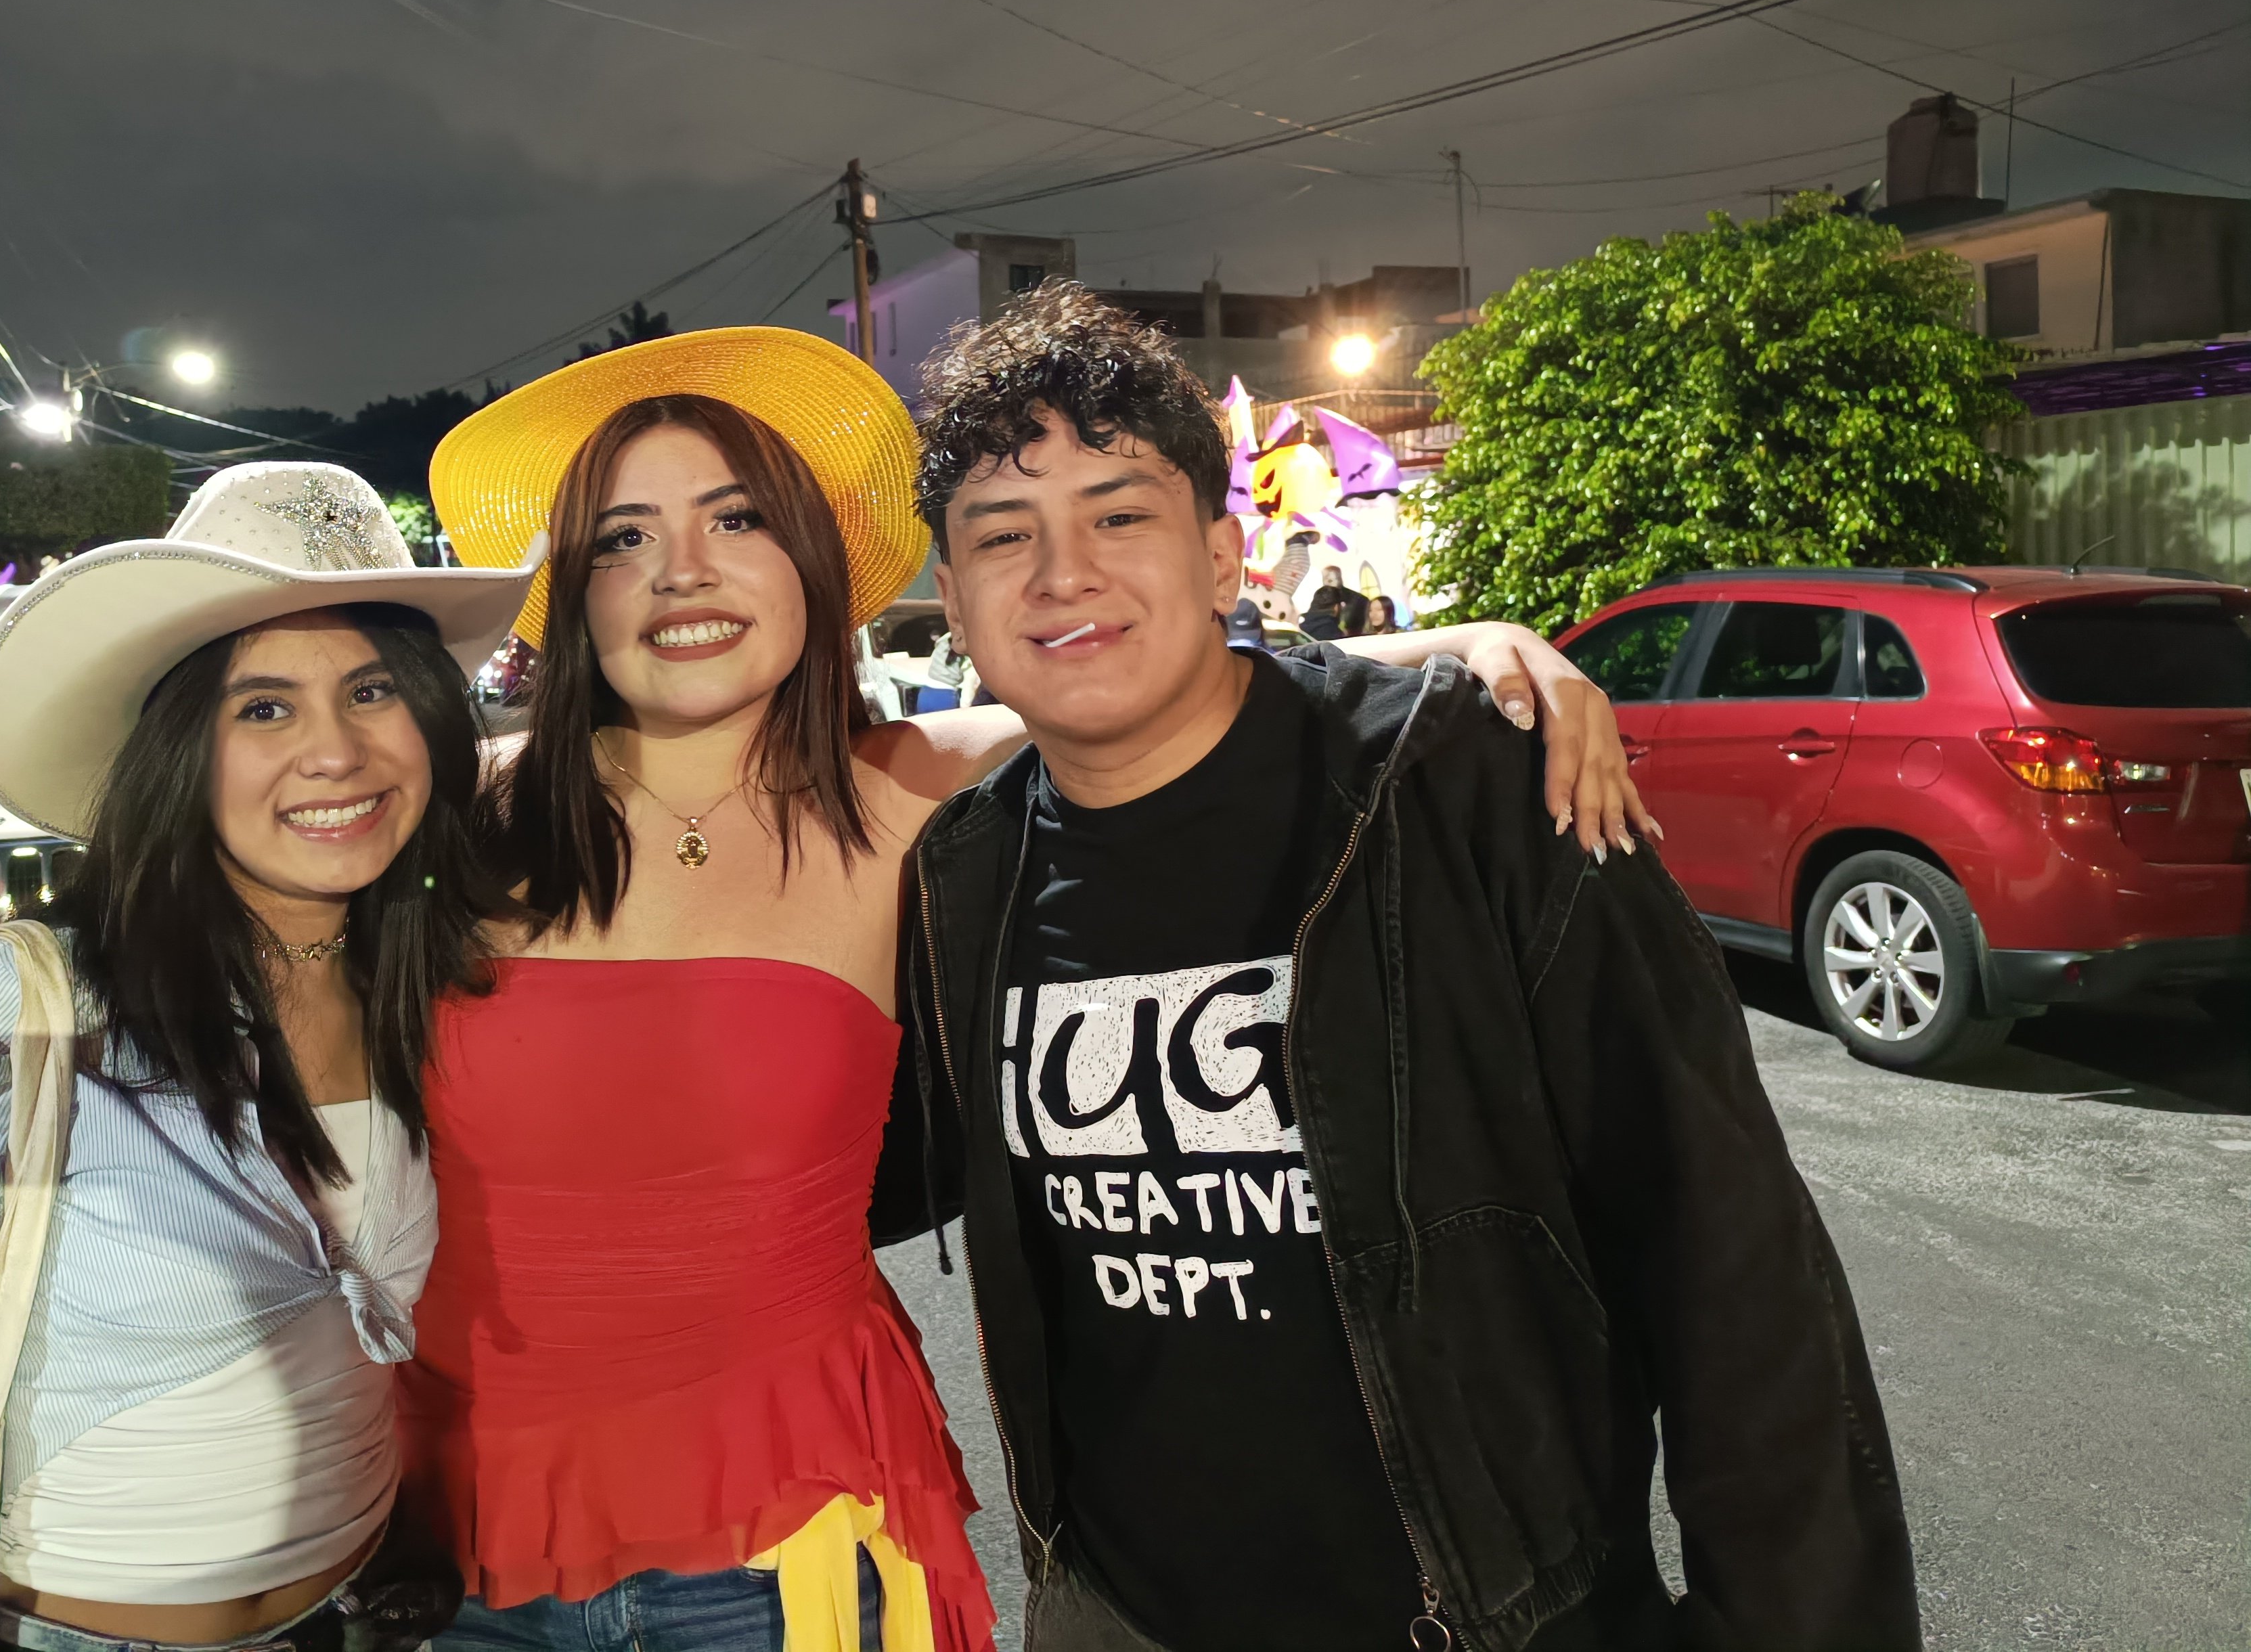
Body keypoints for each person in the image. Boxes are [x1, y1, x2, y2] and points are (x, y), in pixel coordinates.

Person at [414, 328, 1654, 1652]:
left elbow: (1183, 681)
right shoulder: (456, 817)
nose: (683, 572)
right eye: (623, 538)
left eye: (737, 519)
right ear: (576, 592)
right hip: (457, 1536)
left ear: (812, 562)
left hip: (781, 1547)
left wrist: (1485, 646)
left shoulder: (903, 793)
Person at [891, 284, 1918, 1652]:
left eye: (1118, 515)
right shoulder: (968, 874)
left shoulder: (1465, 789)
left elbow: (1731, 1259)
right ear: (954, 604)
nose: (1062, 574)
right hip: (1119, 1617)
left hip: (1487, 1621)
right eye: (1003, 535)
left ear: (1221, 556)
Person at [0, 464, 541, 1652]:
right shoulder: (22, 1008)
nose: (336, 753)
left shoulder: (434, 991)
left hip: (358, 1616)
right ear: (182, 752)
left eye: (373, 691)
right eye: (265, 709)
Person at [1298, 560, 1370, 640]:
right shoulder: (1320, 596)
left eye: (1331, 580)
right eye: (1325, 579)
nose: (1327, 582)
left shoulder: (1358, 600)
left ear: (1340, 578)